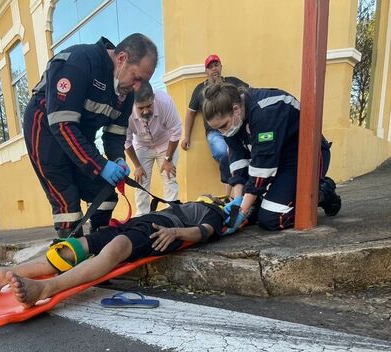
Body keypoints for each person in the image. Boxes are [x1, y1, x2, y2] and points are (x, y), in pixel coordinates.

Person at [0, 197, 227, 307]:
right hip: (137, 223)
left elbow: (204, 232)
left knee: (118, 248)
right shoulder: (182, 202)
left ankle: (46, 288)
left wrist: (176, 233)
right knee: (75, 247)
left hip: (162, 229)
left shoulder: (216, 213)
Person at [24, 33, 158, 238]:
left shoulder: (126, 92)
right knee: (67, 204)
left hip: (79, 138)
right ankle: (70, 259)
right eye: (136, 77)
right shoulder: (78, 63)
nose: (137, 87)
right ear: (121, 59)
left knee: (104, 193)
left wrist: (118, 159)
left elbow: (114, 135)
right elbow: (62, 125)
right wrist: (100, 165)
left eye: (143, 81)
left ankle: (98, 243)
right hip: (46, 133)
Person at [202, 82, 341, 232]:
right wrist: (238, 200)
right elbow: (238, 158)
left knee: (271, 219)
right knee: (252, 211)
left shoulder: (265, 112)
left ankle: (322, 193)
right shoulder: (232, 120)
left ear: (236, 110)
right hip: (275, 160)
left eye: (222, 126)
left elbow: (263, 167)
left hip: (303, 159)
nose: (222, 132)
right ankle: (268, 201)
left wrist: (242, 211)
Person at [181, 54, 247, 193]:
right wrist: (186, 136)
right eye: (210, 67)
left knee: (238, 153)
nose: (214, 69)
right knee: (224, 152)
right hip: (215, 132)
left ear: (221, 67)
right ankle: (230, 195)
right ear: (206, 71)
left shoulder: (232, 82)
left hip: (236, 128)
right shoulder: (200, 89)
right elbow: (190, 113)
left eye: (216, 65)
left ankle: (231, 195)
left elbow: (249, 94)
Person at [124, 81, 182, 215]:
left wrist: (168, 159)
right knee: (140, 181)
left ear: (153, 98)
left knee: (169, 177)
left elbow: (176, 131)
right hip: (142, 146)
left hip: (165, 143)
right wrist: (137, 166)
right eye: (140, 108)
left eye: (149, 106)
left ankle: (172, 214)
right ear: (134, 104)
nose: (145, 111)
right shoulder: (126, 112)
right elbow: (126, 142)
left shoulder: (165, 102)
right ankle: (142, 216)